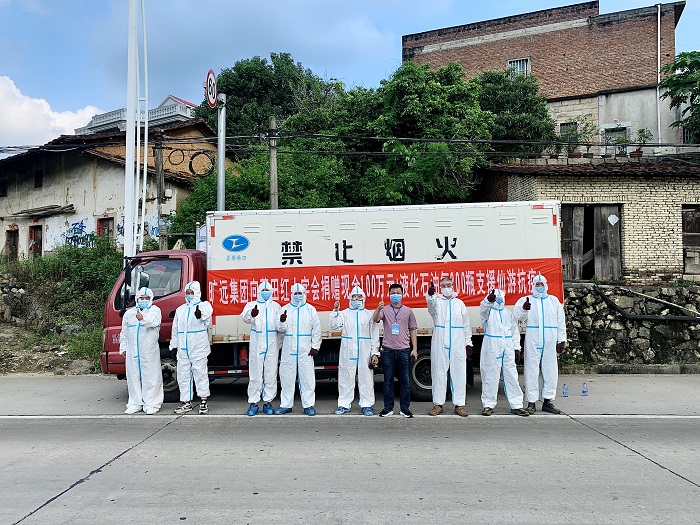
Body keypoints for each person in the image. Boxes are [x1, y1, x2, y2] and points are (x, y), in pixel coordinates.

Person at [514, 274, 567, 415]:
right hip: (533, 340)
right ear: (532, 285)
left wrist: (561, 339)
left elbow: (561, 322)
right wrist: (525, 309)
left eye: (541, 284)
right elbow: (518, 316)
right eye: (537, 284)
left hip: (550, 340)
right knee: (531, 370)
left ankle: (548, 401)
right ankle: (531, 402)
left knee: (550, 370)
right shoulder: (527, 300)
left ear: (546, 285)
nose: (539, 287)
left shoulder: (553, 301)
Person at [330, 285, 380, 416]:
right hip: (348, 349)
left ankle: (367, 404)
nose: (356, 299)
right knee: (346, 376)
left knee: (366, 377)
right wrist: (335, 311)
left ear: (363, 298)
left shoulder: (369, 315)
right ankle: (344, 404)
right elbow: (335, 326)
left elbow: (374, 334)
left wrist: (375, 352)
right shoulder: (344, 313)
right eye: (354, 297)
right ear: (350, 298)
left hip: (365, 349)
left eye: (359, 297)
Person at [425, 277, 472, 417]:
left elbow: (466, 324)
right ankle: (438, 404)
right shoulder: (437, 302)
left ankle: (459, 404)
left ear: (453, 285)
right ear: (440, 287)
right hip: (440, 340)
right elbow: (430, 307)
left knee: (459, 371)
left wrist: (468, 342)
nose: (446, 287)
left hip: (457, 341)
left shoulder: (460, 304)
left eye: (448, 285)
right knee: (439, 371)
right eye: (443, 285)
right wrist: (431, 295)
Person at [479, 289, 529, 417]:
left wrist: (517, 348)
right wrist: (487, 301)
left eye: (501, 297)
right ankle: (488, 405)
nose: (499, 299)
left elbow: (514, 331)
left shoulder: (508, 314)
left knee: (511, 375)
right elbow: (483, 310)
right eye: (497, 297)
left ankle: (516, 405)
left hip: (507, 347)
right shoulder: (489, 313)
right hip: (492, 346)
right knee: (490, 375)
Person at [372, 283, 418, 418]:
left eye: (398, 293)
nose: (395, 295)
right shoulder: (385, 310)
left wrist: (414, 348)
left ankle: (405, 408)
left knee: (405, 381)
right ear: (389, 295)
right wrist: (377, 308)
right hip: (388, 350)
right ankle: (388, 408)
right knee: (388, 380)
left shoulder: (408, 311)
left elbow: (413, 329)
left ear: (402, 294)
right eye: (393, 293)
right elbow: (374, 320)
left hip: (404, 350)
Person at [276, 283, 322, 416]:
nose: (297, 296)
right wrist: (282, 321)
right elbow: (279, 329)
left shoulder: (310, 310)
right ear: (291, 294)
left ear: (304, 293)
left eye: (300, 293)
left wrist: (315, 346)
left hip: (305, 349)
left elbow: (316, 329)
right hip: (288, 347)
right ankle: (286, 404)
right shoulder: (285, 309)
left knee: (307, 377)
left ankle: (308, 405)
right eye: (295, 293)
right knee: (286, 377)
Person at [170, 281, 214, 415]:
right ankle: (186, 402)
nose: (189, 295)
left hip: (198, 347)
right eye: (187, 293)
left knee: (200, 374)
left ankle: (203, 401)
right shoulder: (180, 310)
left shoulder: (203, 305)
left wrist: (200, 314)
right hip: (184, 348)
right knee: (183, 375)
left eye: (192, 293)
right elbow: (175, 329)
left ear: (197, 293)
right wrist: (174, 344)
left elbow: (207, 314)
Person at [241, 280, 284, 416]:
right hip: (257, 342)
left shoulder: (276, 307)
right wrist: (251, 314)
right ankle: (253, 402)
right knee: (255, 372)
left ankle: (268, 401)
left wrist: (282, 321)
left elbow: (281, 327)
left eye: (268, 291)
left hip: (271, 342)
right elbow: (245, 317)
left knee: (270, 373)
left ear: (271, 292)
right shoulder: (252, 305)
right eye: (263, 291)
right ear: (259, 292)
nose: (265, 293)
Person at [119, 287, 163, 415]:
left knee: (151, 376)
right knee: (133, 377)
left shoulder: (155, 311)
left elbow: (153, 322)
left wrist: (142, 318)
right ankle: (135, 403)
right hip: (133, 351)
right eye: (141, 298)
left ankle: (152, 403)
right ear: (137, 299)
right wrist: (123, 347)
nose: (144, 300)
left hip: (148, 351)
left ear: (151, 299)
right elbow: (124, 333)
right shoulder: (129, 314)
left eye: (146, 298)